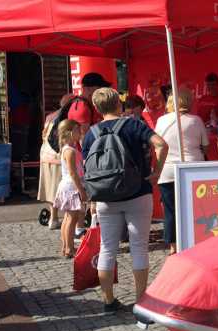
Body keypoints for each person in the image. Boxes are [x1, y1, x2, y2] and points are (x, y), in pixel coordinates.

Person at [82, 88, 168, 315]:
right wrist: (156, 172)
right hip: (138, 192)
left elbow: (87, 169)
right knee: (139, 247)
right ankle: (141, 301)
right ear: (118, 105)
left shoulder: (90, 133)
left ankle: (108, 301)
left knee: (107, 248)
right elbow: (161, 144)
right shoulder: (133, 125)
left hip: (105, 197)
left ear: (97, 109)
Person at [155, 88, 208, 255]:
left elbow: (156, 145)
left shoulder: (161, 120)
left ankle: (173, 246)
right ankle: (195, 240)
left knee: (170, 210)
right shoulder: (196, 120)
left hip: (167, 169)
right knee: (195, 208)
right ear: (188, 102)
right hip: (192, 169)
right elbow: (205, 146)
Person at [67, 72, 113, 240]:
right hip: (87, 158)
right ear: (90, 88)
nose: (101, 91)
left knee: (88, 196)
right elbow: (85, 137)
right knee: (90, 196)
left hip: (85, 157)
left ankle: (84, 228)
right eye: (99, 87)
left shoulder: (81, 105)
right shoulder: (83, 107)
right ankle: (87, 230)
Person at [38, 93, 75, 229]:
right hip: (58, 157)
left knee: (50, 189)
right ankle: (67, 218)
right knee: (64, 188)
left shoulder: (50, 116)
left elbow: (43, 135)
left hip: (45, 155)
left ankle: (53, 218)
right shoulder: (67, 118)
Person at [53, 119, 87, 258]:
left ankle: (66, 246)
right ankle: (69, 247)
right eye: (78, 131)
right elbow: (73, 173)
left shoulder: (67, 149)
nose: (80, 133)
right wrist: (81, 190)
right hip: (71, 187)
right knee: (72, 219)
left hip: (67, 185)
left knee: (68, 218)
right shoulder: (70, 151)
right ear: (70, 132)